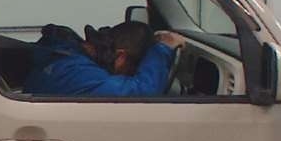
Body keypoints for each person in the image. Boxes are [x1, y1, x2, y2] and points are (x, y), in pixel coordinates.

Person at [22, 21, 186, 97]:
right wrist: (163, 48)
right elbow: (142, 93)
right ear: (121, 57)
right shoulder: (81, 75)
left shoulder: (66, 54)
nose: (128, 77)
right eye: (132, 72)